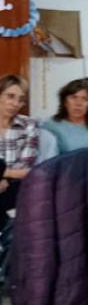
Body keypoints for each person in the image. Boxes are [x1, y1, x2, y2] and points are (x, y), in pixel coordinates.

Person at [0, 75, 38, 222]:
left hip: (15, 189)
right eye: (10, 96)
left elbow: (26, 169)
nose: (16, 103)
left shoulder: (29, 124)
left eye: (21, 99)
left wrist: (3, 176)